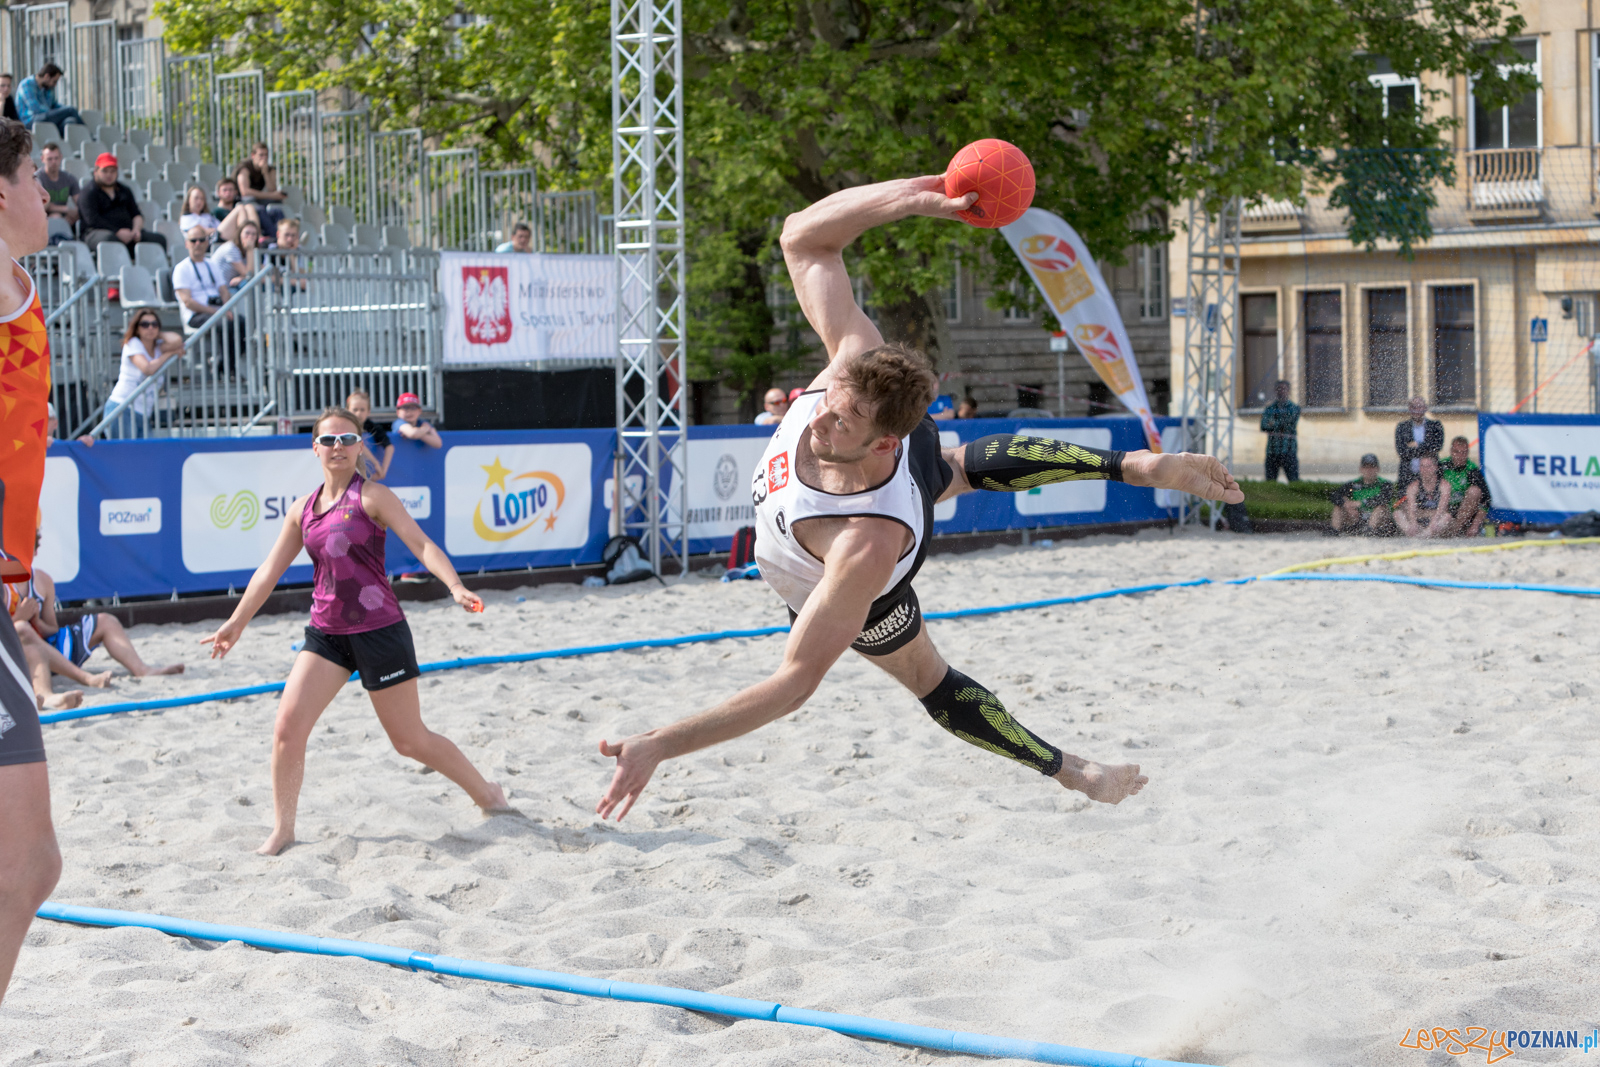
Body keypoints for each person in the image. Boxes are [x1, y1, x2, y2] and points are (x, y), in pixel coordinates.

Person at [595, 174, 1241, 821]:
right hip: (890, 479)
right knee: (956, 464)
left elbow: (793, 684)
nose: (818, 421)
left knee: (929, 677)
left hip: (859, 551)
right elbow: (803, 238)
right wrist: (916, 198)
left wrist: (660, 743)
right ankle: (1135, 463)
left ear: (883, 443)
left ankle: (1072, 769)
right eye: (828, 405)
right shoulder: (852, 364)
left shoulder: (864, 550)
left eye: (840, 423)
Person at [201, 406, 510, 856]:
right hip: (327, 634)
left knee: (409, 741)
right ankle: (284, 828)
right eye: (328, 440)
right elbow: (269, 570)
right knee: (287, 728)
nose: (337, 447)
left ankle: (488, 794)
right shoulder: (302, 510)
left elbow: (421, 543)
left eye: (347, 439)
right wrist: (236, 622)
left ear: (360, 445)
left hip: (379, 630)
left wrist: (455, 586)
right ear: (315, 448)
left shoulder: (374, 497)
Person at [0, 114, 65, 1011]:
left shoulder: (17, 284)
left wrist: (21, 568)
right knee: (29, 861)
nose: (49, 190)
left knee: (33, 863)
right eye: (35, 179)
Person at [25, 563, 183, 682]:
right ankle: (48, 695)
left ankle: (142, 670)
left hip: (49, 649)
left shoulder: (41, 580)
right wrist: (19, 616)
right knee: (22, 629)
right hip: (19, 657)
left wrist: (36, 622)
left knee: (106, 621)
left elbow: (52, 629)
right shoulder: (6, 582)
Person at [103, 312, 183, 438]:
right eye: (145, 324)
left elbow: (177, 341)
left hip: (143, 412)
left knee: (144, 455)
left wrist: (157, 333)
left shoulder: (158, 347)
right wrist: (168, 355)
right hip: (123, 408)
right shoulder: (133, 342)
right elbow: (147, 368)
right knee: (125, 455)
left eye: (154, 324)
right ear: (137, 328)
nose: (150, 328)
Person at [78, 152, 167, 257]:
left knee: (158, 240)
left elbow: (136, 214)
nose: (109, 175)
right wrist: (117, 232)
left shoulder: (125, 190)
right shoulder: (88, 192)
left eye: (112, 171)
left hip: (128, 233)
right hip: (97, 233)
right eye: (105, 171)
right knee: (109, 240)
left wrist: (136, 230)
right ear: (96, 171)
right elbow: (92, 220)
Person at [173, 223, 232, 332]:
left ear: (207, 243)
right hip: (196, 315)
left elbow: (223, 290)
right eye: (193, 241)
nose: (198, 243)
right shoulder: (181, 268)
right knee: (222, 324)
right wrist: (215, 312)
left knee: (240, 321)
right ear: (187, 244)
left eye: (201, 240)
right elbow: (188, 302)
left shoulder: (213, 264)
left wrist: (225, 309)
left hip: (217, 312)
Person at [1329, 453, 1396, 536]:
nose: (1369, 470)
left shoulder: (1385, 484)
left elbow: (1384, 498)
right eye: (1366, 467)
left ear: (1378, 469)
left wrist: (1362, 503)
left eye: (1372, 467)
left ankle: (1370, 532)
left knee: (1381, 507)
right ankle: (1334, 531)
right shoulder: (1353, 484)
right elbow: (1334, 495)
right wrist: (1345, 504)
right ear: (1361, 469)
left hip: (1379, 520)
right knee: (1338, 506)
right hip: (1358, 518)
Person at [1438, 435, 1490, 537]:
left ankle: (1454, 531)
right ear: (1451, 451)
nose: (1460, 456)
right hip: (1443, 510)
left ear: (1468, 453)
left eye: (1464, 453)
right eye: (1457, 452)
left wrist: (1475, 526)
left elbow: (1486, 500)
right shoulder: (1442, 466)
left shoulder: (1472, 469)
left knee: (1474, 491)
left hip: (1463, 513)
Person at [1394, 453, 1452, 538]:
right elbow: (1411, 509)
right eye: (1422, 466)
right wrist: (1413, 524)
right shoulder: (1413, 487)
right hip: (1419, 521)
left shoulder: (1444, 486)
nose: (1425, 469)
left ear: (1435, 467)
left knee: (1447, 517)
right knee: (1397, 513)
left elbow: (1442, 510)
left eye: (1428, 466)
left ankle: (1423, 536)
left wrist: (1433, 521)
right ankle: (1419, 535)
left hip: (1435, 522)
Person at [1394, 396, 1444, 491]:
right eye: (1414, 407)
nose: (1417, 410)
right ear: (1409, 409)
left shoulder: (1435, 426)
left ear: (1425, 408)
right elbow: (1402, 452)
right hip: (1408, 475)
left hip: (1431, 476)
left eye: (1420, 406)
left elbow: (1437, 447)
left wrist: (1417, 445)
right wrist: (1426, 448)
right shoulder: (1402, 427)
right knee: (1407, 503)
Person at [15, 64, 81, 134]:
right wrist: (62, 112)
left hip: (46, 117)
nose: (55, 85)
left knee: (70, 121)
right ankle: (90, 136)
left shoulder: (47, 88)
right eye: (54, 81)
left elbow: (54, 105)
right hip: (30, 121)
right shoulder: (27, 84)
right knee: (71, 110)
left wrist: (63, 110)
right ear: (47, 76)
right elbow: (36, 108)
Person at [346, 388, 393, 481]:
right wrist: (375, 463)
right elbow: (357, 442)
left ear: (368, 412)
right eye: (355, 409)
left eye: (362, 410)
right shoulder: (344, 426)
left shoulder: (372, 426)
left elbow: (389, 447)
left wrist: (383, 469)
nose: (358, 413)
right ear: (347, 410)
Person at [1260, 380, 1300, 483]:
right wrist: (1278, 424)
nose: (1281, 391)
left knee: (1294, 482)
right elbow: (1264, 426)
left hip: (1289, 450)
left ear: (1289, 391)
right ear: (1275, 391)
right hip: (1272, 450)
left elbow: (1289, 424)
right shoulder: (1270, 408)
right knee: (1270, 482)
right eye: (1279, 389)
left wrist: (1273, 423)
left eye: (1284, 389)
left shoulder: (1294, 408)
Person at [36, 143, 77, 232]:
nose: (54, 162)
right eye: (50, 159)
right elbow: (40, 207)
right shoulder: (37, 179)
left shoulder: (69, 178)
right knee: (56, 218)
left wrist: (73, 216)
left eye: (56, 158)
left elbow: (81, 203)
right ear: (42, 159)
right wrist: (65, 209)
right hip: (42, 220)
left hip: (65, 219)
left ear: (61, 157)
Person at [211, 218, 260, 284]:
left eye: (254, 234)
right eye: (247, 233)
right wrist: (250, 250)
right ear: (240, 234)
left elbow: (258, 271)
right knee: (245, 283)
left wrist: (242, 278)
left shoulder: (250, 250)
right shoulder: (231, 248)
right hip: (218, 287)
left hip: (230, 285)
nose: (250, 237)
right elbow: (248, 275)